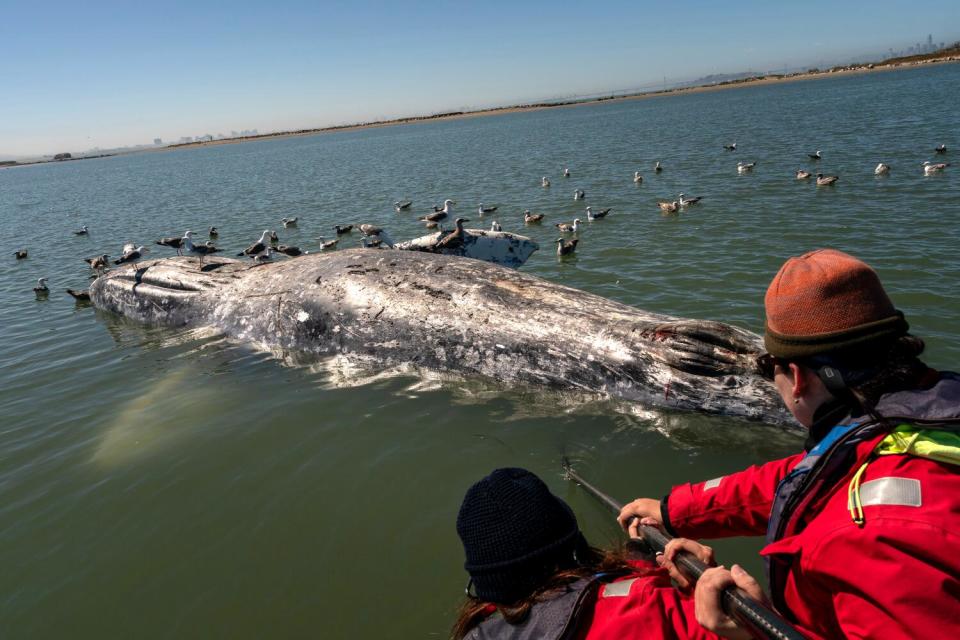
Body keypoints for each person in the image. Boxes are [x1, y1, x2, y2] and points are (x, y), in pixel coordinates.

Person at [617, 248, 960, 640]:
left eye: (768, 367)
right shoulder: (919, 422)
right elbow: (806, 478)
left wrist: (756, 629)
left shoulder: (881, 540)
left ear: (797, 376)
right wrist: (675, 509)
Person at [453, 467, 724, 640]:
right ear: (573, 548)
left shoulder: (476, 634)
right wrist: (700, 586)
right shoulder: (647, 607)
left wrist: (639, 555)